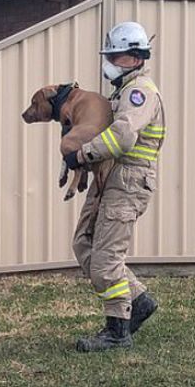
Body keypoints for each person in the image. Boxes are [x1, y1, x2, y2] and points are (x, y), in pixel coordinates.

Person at [64, 21, 165, 352]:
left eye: (116, 56)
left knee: (106, 260)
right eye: (109, 56)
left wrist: (83, 154)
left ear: (135, 58)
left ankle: (117, 331)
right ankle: (139, 301)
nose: (109, 62)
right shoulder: (121, 92)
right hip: (109, 178)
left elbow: (122, 137)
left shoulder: (140, 94)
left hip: (128, 182)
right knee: (84, 244)